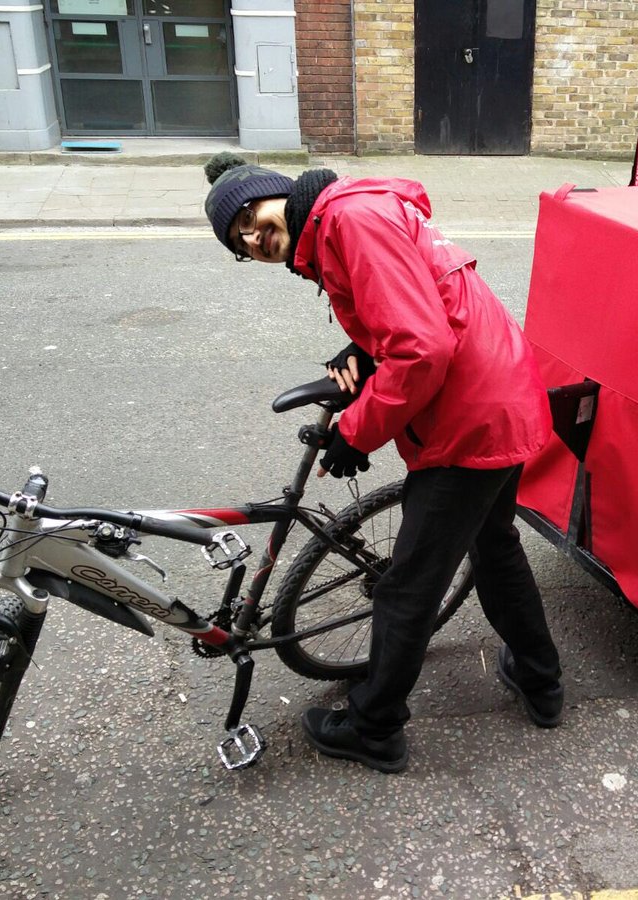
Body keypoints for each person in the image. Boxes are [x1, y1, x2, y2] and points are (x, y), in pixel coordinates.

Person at [203, 153, 563, 773]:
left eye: (249, 217)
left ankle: (373, 727)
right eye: (239, 243)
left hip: (470, 422)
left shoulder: (349, 222)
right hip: (502, 402)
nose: (253, 239)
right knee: (494, 547)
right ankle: (541, 680)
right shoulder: (347, 214)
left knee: (408, 586)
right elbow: (419, 308)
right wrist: (367, 348)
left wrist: (358, 432)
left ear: (276, 194)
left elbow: (421, 351)